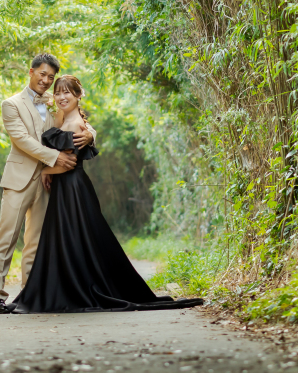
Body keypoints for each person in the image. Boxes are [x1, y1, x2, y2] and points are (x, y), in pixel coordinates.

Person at [11, 75, 203, 313]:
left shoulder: (75, 125)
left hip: (72, 186)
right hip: (67, 187)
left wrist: (44, 170)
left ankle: (76, 287)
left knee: (77, 238)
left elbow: (68, 162)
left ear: (79, 95)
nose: (61, 97)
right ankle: (68, 284)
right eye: (58, 92)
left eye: (67, 93)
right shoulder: (67, 119)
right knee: (73, 239)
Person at [0, 54, 96, 314]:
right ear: (31, 71)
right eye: (42, 74)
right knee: (7, 237)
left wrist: (91, 134)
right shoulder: (11, 104)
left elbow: (77, 117)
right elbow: (21, 139)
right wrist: (55, 156)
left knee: (36, 240)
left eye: (51, 77)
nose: (47, 81)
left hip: (50, 179)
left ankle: (30, 293)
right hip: (20, 178)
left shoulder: (54, 101)